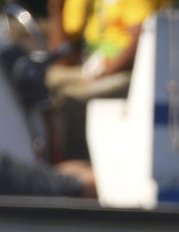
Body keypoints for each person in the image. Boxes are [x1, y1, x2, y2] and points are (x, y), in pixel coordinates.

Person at [45, 0, 166, 161]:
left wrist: (106, 72)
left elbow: (141, 39)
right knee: (44, 80)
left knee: (71, 98)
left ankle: (75, 164)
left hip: (126, 73)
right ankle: (51, 158)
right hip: (92, 69)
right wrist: (56, 11)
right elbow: (62, 59)